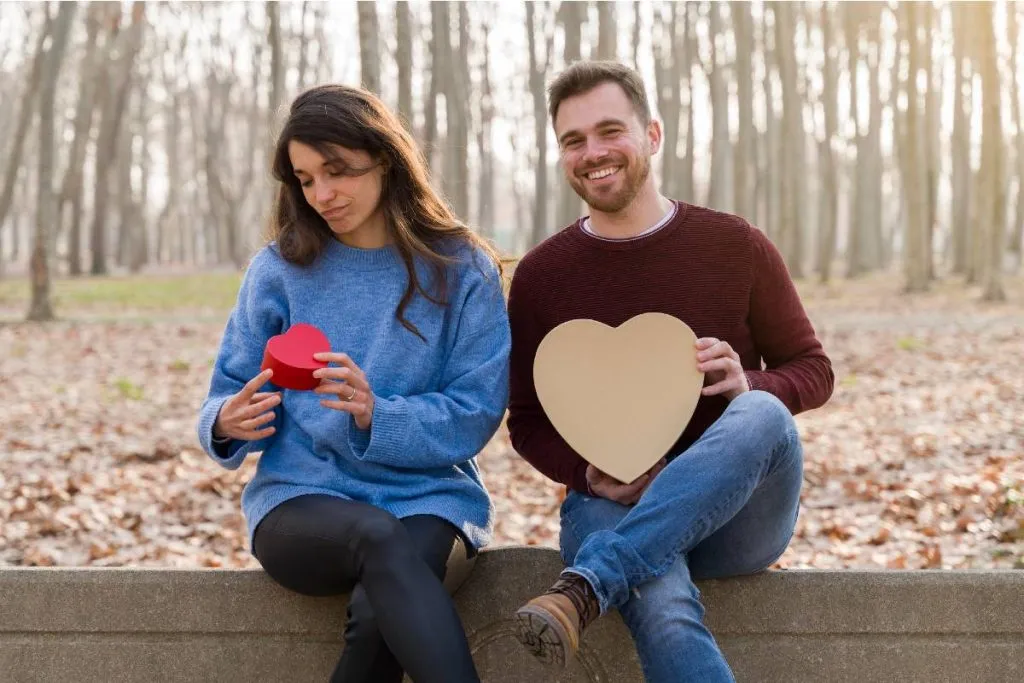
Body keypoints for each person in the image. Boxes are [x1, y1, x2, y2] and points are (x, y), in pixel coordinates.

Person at [506, 61, 834, 681]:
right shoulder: (543, 277)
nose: (593, 153)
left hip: (739, 519)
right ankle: (608, 573)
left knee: (761, 412)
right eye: (573, 140)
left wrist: (750, 383)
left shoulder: (735, 245)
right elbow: (525, 421)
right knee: (662, 604)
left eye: (610, 131)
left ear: (652, 135)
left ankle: (585, 587)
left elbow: (814, 371)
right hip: (612, 508)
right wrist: (586, 472)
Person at [196, 84, 510, 683]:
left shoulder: (462, 269)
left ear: (385, 158)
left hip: (430, 501)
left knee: (378, 612)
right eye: (306, 178)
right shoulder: (279, 270)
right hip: (299, 503)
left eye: (336, 171)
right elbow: (226, 391)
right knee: (374, 534)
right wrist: (224, 422)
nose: (322, 194)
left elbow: (475, 412)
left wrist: (376, 413)